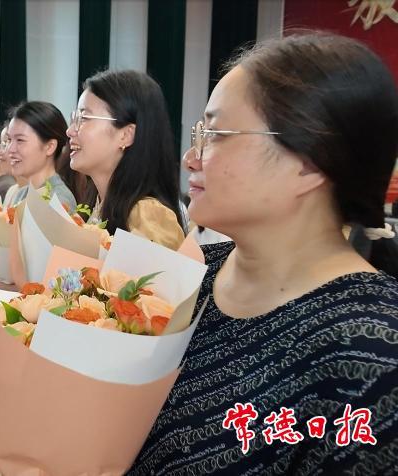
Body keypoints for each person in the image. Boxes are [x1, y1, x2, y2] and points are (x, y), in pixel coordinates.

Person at [129, 32, 398, 474]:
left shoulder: (373, 355)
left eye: (215, 134)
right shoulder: (192, 276)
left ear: (309, 162)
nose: (190, 158)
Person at [67, 69, 186, 250]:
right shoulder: (96, 204)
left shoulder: (148, 215)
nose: (70, 131)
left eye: (83, 118)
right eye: (74, 118)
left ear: (126, 135)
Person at [5, 101, 78, 211]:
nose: (10, 149)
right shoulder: (20, 194)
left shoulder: (59, 200)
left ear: (50, 147)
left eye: (20, 140)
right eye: (9, 140)